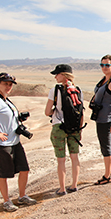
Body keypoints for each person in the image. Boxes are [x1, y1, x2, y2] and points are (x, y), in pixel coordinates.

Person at [0, 72, 36, 211]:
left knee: (24, 169)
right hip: (2, 145)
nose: (8, 86)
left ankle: (22, 197)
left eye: (10, 84)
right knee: (3, 174)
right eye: (5, 84)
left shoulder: (5, 99)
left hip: (14, 141)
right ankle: (6, 201)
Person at [45, 64, 83, 195]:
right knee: (74, 157)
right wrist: (80, 131)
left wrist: (54, 111)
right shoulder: (78, 90)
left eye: (57, 74)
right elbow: (80, 112)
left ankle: (62, 189)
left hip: (59, 127)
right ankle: (74, 185)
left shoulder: (54, 90)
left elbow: (46, 112)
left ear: (64, 75)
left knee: (61, 160)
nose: (55, 76)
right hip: (74, 128)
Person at [91, 55, 111, 185]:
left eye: (107, 65)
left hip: (107, 119)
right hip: (100, 117)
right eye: (102, 65)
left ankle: (107, 176)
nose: (104, 67)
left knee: (105, 147)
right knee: (107, 144)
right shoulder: (104, 79)